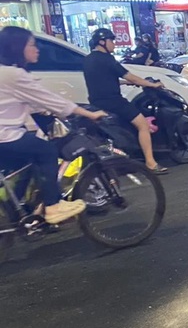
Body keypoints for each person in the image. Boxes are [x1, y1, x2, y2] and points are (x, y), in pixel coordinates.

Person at [0, 26, 108, 224]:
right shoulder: (13, 75)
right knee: (46, 150)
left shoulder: (6, 73)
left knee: (29, 159)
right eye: (32, 45)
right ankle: (53, 205)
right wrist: (88, 113)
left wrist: (46, 110)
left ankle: (18, 211)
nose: (37, 49)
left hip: (8, 134)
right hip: (5, 135)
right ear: (18, 47)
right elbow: (52, 101)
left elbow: (33, 102)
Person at [82, 28, 169, 174]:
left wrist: (122, 83)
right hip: (114, 101)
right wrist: (152, 84)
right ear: (102, 42)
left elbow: (102, 80)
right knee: (143, 125)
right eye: (112, 41)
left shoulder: (88, 59)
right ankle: (151, 163)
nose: (114, 44)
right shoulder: (107, 59)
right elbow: (130, 76)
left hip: (96, 102)